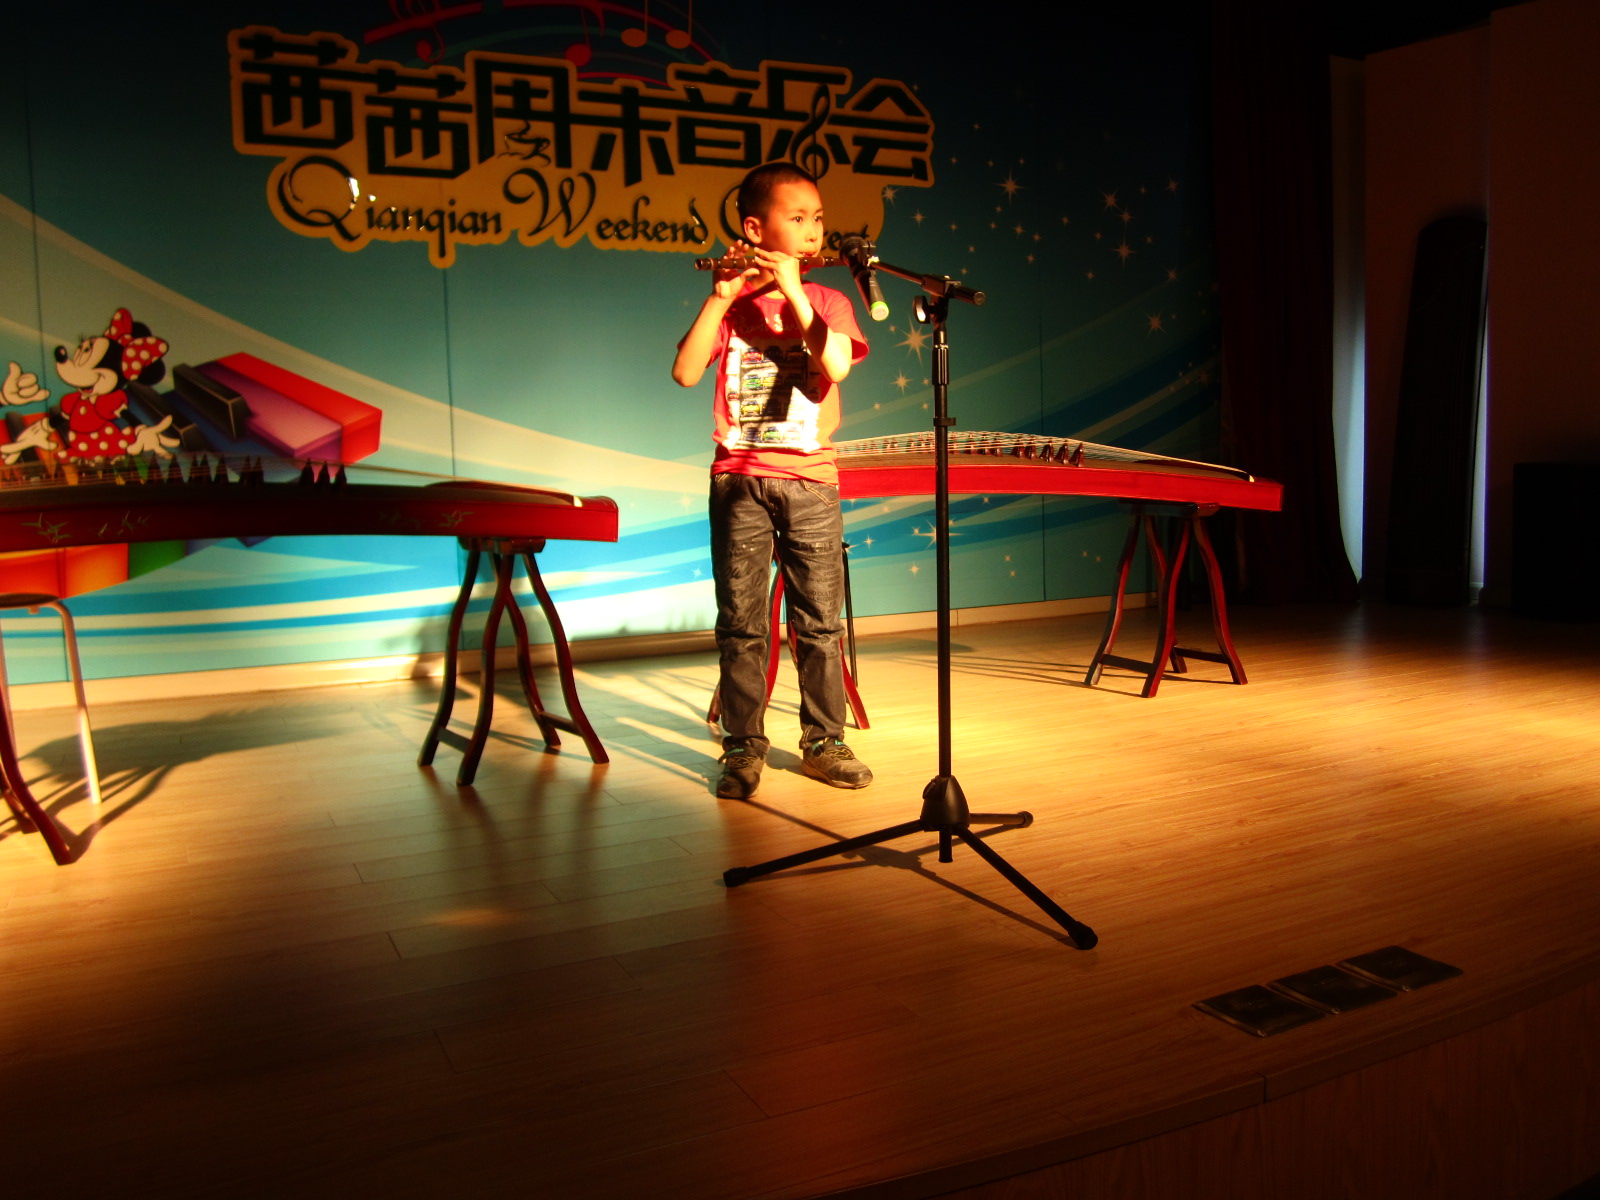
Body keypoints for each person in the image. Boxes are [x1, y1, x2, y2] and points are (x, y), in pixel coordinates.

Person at [672, 162, 872, 800]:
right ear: (755, 229)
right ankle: (742, 746)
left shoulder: (828, 302)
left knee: (819, 622)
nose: (814, 231)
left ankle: (824, 740)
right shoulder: (733, 307)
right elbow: (685, 372)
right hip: (739, 482)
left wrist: (793, 291)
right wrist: (720, 296)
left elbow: (835, 364)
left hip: (811, 482)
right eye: (798, 217)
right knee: (742, 623)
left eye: (819, 219)